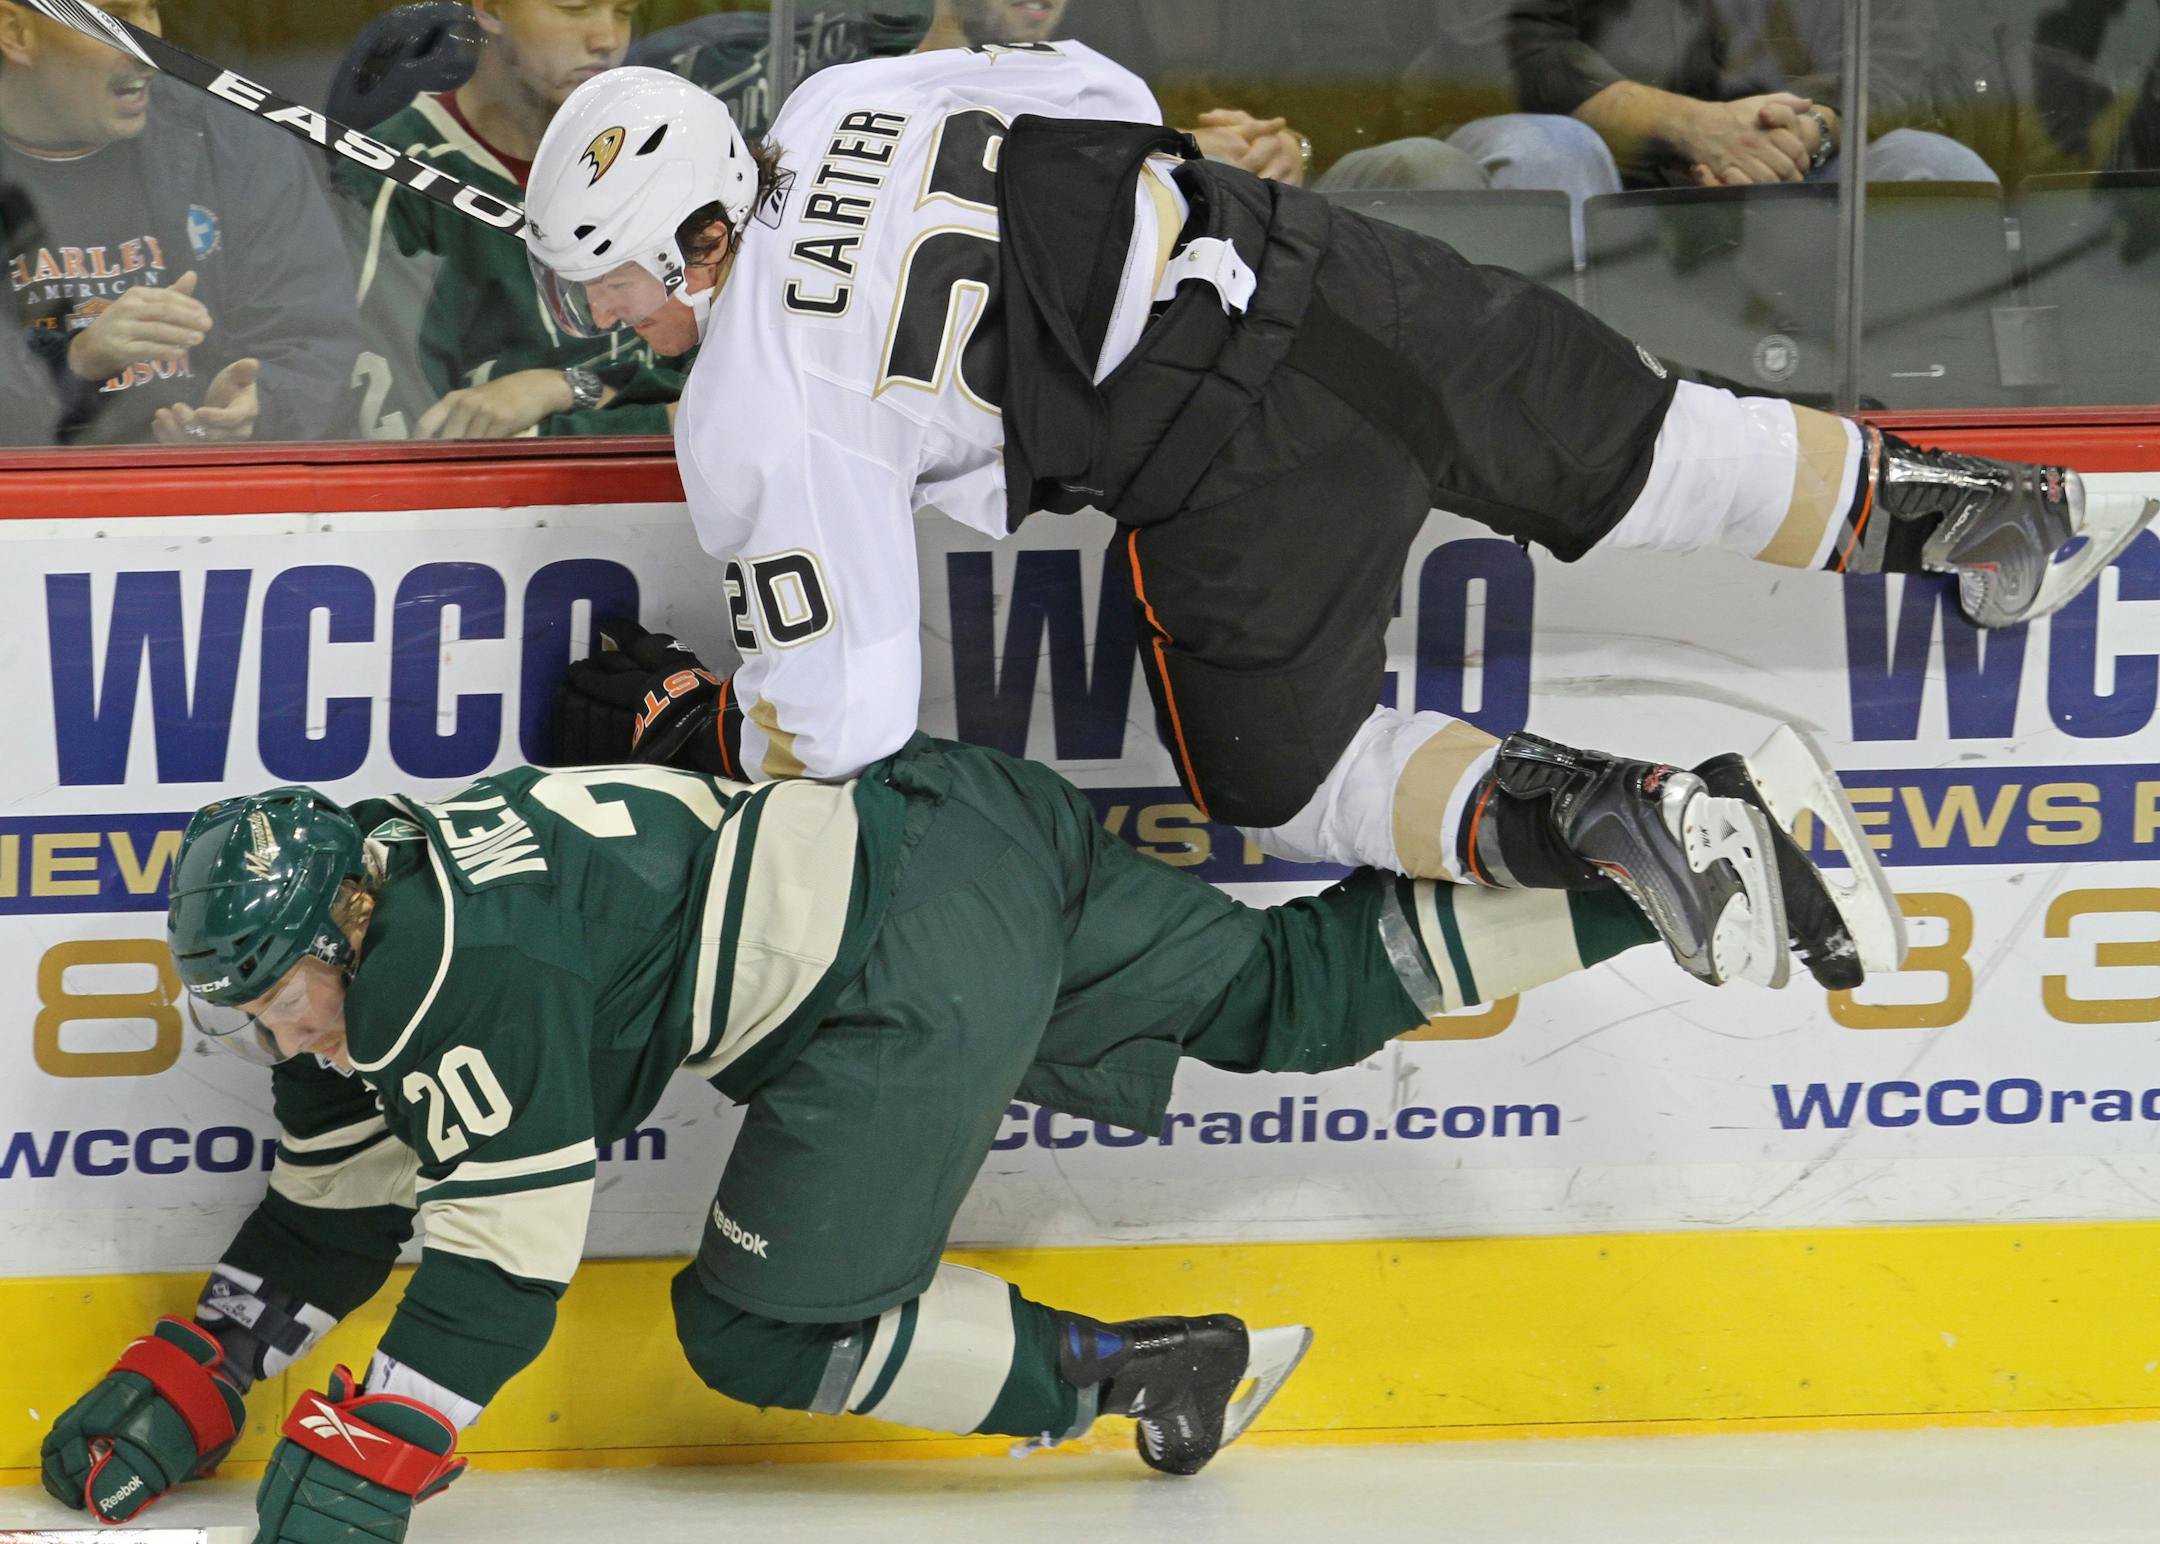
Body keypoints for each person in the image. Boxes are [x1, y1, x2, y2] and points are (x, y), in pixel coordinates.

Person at [522, 42, 2153, 992]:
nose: (601, 317)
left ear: (684, 249)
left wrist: (719, 727)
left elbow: (849, 715)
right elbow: (1105, 88)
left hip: (1224, 451)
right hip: (1313, 257)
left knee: (1277, 777)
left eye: (604, 279)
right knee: (1649, 437)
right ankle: (1951, 505)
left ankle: (1630, 807)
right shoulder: (842, 98)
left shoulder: (751, 396)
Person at [41, 734, 1695, 1532]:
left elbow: (498, 1269)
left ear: (344, 921)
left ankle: (1121, 1372)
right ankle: (1672, 879)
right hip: (959, 812)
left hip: (889, 982)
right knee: (1283, 989)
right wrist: (206, 1359)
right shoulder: (379, 900)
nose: (274, 1027)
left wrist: (372, 1450)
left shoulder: (462, 973)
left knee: (751, 1324)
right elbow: (337, 1204)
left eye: (279, 991)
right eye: (246, 1005)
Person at [0, 0, 359, 447]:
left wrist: (258, 405)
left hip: (220, 499)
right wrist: (77, 360)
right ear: (15, 32)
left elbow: (315, 343)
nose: (148, 44)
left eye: (149, 10)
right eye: (115, 17)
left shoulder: (235, 146)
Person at [335, 0, 684, 440]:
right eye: (575, 8)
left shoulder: (663, 158)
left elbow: (730, 405)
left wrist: (561, 389)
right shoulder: (396, 178)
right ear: (491, 9)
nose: (608, 39)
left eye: (626, 12)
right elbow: (415, 439)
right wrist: (661, 419)